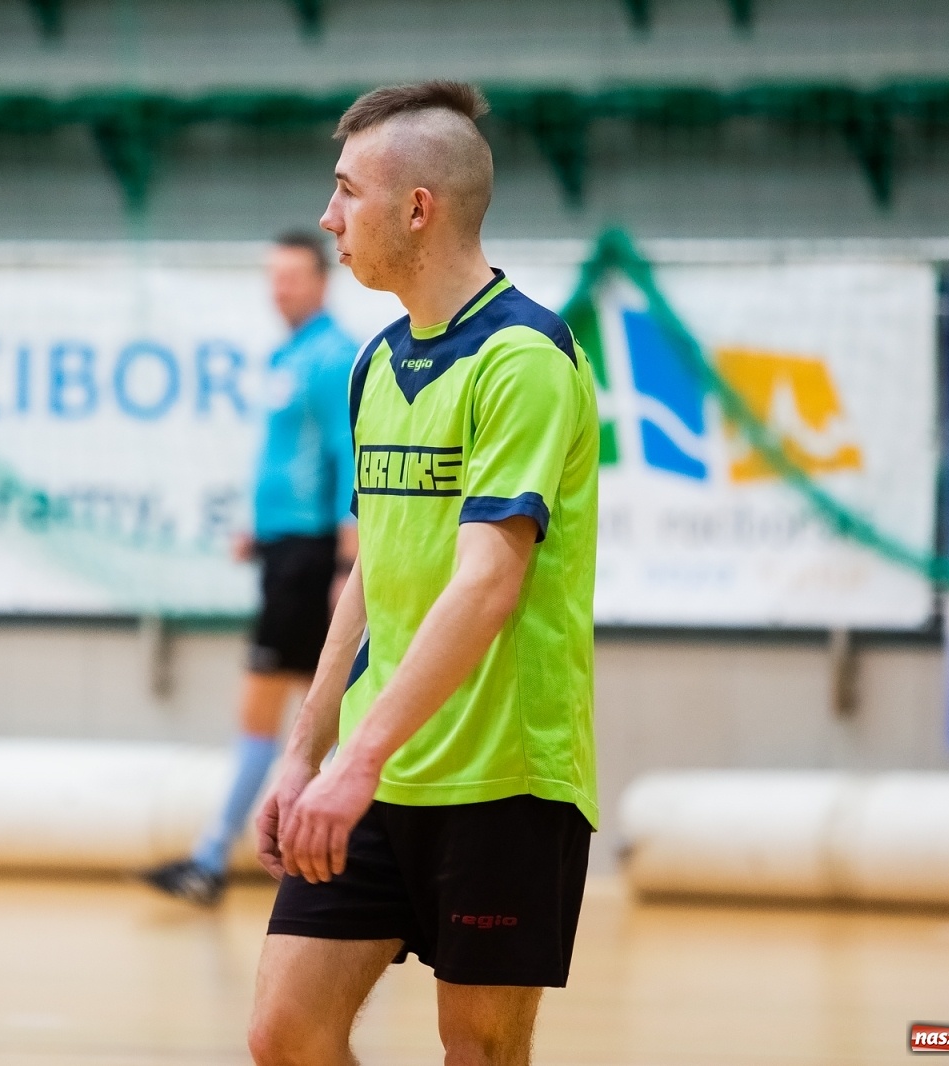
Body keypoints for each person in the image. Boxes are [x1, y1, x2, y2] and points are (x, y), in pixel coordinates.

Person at [247, 81, 600, 1066]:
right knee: (284, 1033)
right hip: (375, 768)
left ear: (417, 207)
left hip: (504, 778)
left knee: (478, 1051)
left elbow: (487, 581)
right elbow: (372, 570)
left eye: (345, 192)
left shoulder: (522, 357)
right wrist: (306, 749)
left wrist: (350, 765)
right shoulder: (374, 362)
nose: (328, 218)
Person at [143, 231, 359, 907]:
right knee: (308, 713)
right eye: (273, 277)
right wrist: (259, 534)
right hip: (284, 550)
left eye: (292, 276)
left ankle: (217, 860)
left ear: (322, 280)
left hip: (310, 554)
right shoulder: (288, 354)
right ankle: (306, 861)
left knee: (286, 709)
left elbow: (348, 455)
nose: (279, 289)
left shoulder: (331, 356)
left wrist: (344, 559)